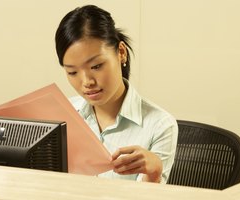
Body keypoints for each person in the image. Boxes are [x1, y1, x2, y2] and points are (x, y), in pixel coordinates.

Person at [55, 4, 178, 183]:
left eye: (96, 66)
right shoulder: (62, 114)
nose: (86, 82)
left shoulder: (160, 125)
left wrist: (154, 173)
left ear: (121, 53)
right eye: (72, 72)